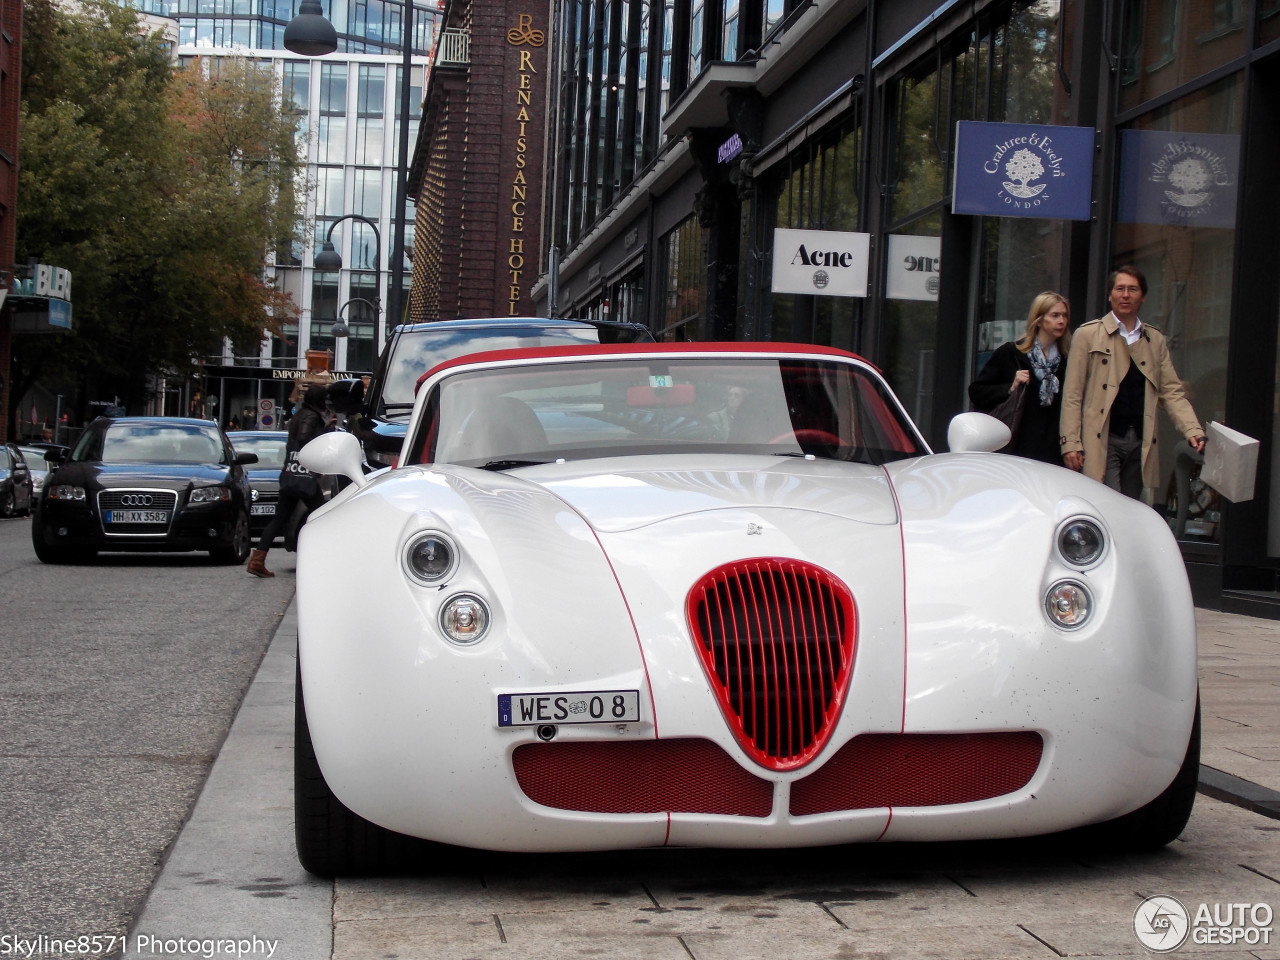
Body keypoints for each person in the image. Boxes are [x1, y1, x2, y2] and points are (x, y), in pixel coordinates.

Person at [1060, 265, 1205, 499]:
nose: (1125, 295)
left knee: (1130, 508)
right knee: (1108, 504)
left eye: (1132, 289)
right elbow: (1072, 395)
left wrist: (1193, 430)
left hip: (1140, 441)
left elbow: (1172, 392)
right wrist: (1071, 443)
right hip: (1103, 439)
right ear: (1110, 295)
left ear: (1143, 296)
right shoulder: (1087, 335)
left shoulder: (1155, 339)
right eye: (1120, 289)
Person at [968, 292, 1071, 465]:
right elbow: (976, 391)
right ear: (1039, 319)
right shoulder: (1012, 353)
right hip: (1017, 449)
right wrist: (1010, 387)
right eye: (1055, 315)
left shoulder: (1067, 360)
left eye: (1064, 316)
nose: (1061, 321)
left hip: (1052, 453)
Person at [247, 384, 331, 578]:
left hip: (291, 474)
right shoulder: (311, 416)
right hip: (304, 475)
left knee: (279, 519)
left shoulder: (299, 415)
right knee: (323, 515)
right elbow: (304, 438)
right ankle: (323, 558)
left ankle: (257, 560)